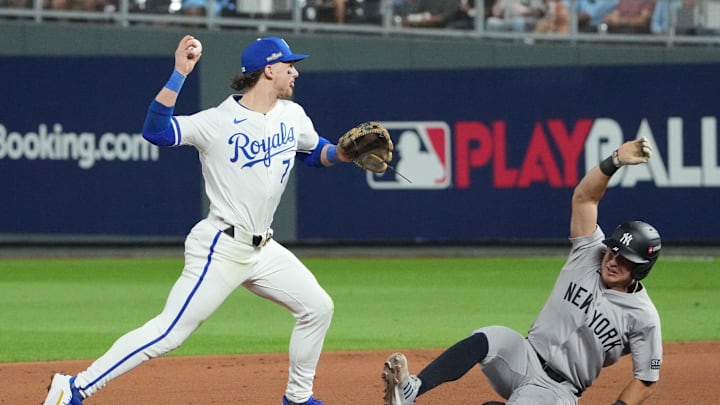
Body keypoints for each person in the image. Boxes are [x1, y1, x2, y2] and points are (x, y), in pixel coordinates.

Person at [42, 34, 357, 405]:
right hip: (221, 247)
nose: (295, 72)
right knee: (168, 333)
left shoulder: (293, 114)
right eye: (290, 65)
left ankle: (298, 398)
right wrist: (179, 73)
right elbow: (156, 131)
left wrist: (343, 153)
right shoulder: (217, 122)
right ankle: (75, 387)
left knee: (318, 308)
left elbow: (314, 151)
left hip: (264, 249)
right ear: (269, 70)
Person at [382, 136, 663, 405]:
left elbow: (646, 379)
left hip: (557, 389)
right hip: (524, 356)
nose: (613, 260)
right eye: (614, 250)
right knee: (490, 337)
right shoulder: (589, 252)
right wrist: (614, 160)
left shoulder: (642, 316)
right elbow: (584, 198)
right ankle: (411, 389)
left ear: (641, 269)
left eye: (625, 259)